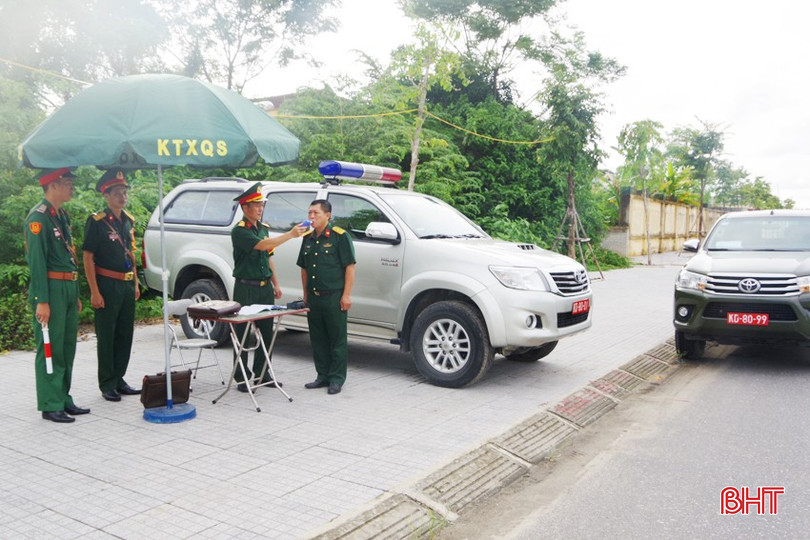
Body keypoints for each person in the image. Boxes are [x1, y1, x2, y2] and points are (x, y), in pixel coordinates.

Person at [24, 168, 89, 423]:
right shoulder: (37, 219)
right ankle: (50, 403)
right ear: (53, 185)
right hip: (50, 290)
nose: (72, 187)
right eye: (68, 183)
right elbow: (37, 262)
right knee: (50, 347)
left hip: (67, 289)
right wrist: (42, 300)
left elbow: (67, 257)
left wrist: (76, 292)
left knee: (66, 347)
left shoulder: (61, 215)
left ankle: (63, 397)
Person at [231, 182, 306, 392]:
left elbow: (268, 255)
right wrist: (290, 235)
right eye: (256, 205)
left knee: (267, 332)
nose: (260, 209)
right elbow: (262, 246)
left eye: (262, 205)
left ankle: (263, 374)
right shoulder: (240, 231)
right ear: (245, 208)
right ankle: (242, 376)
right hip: (246, 288)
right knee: (244, 333)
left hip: (264, 288)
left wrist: (276, 283)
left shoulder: (262, 229)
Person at [82, 169, 141, 402]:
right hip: (106, 284)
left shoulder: (128, 221)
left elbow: (132, 255)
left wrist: (135, 283)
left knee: (125, 334)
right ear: (106, 195)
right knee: (107, 335)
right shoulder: (96, 222)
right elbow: (88, 257)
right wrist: (95, 291)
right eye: (117, 192)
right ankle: (107, 383)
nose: (122, 196)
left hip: (127, 285)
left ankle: (119, 378)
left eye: (124, 192)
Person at [297, 199, 356, 395]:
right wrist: (305, 294)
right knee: (318, 338)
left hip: (334, 297)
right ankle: (322, 375)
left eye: (316, 213)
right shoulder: (308, 238)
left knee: (336, 339)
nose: (311, 217)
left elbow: (350, 267)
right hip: (314, 297)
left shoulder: (340, 237)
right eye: (309, 213)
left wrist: (346, 295)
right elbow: (304, 268)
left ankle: (337, 378)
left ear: (328, 215)